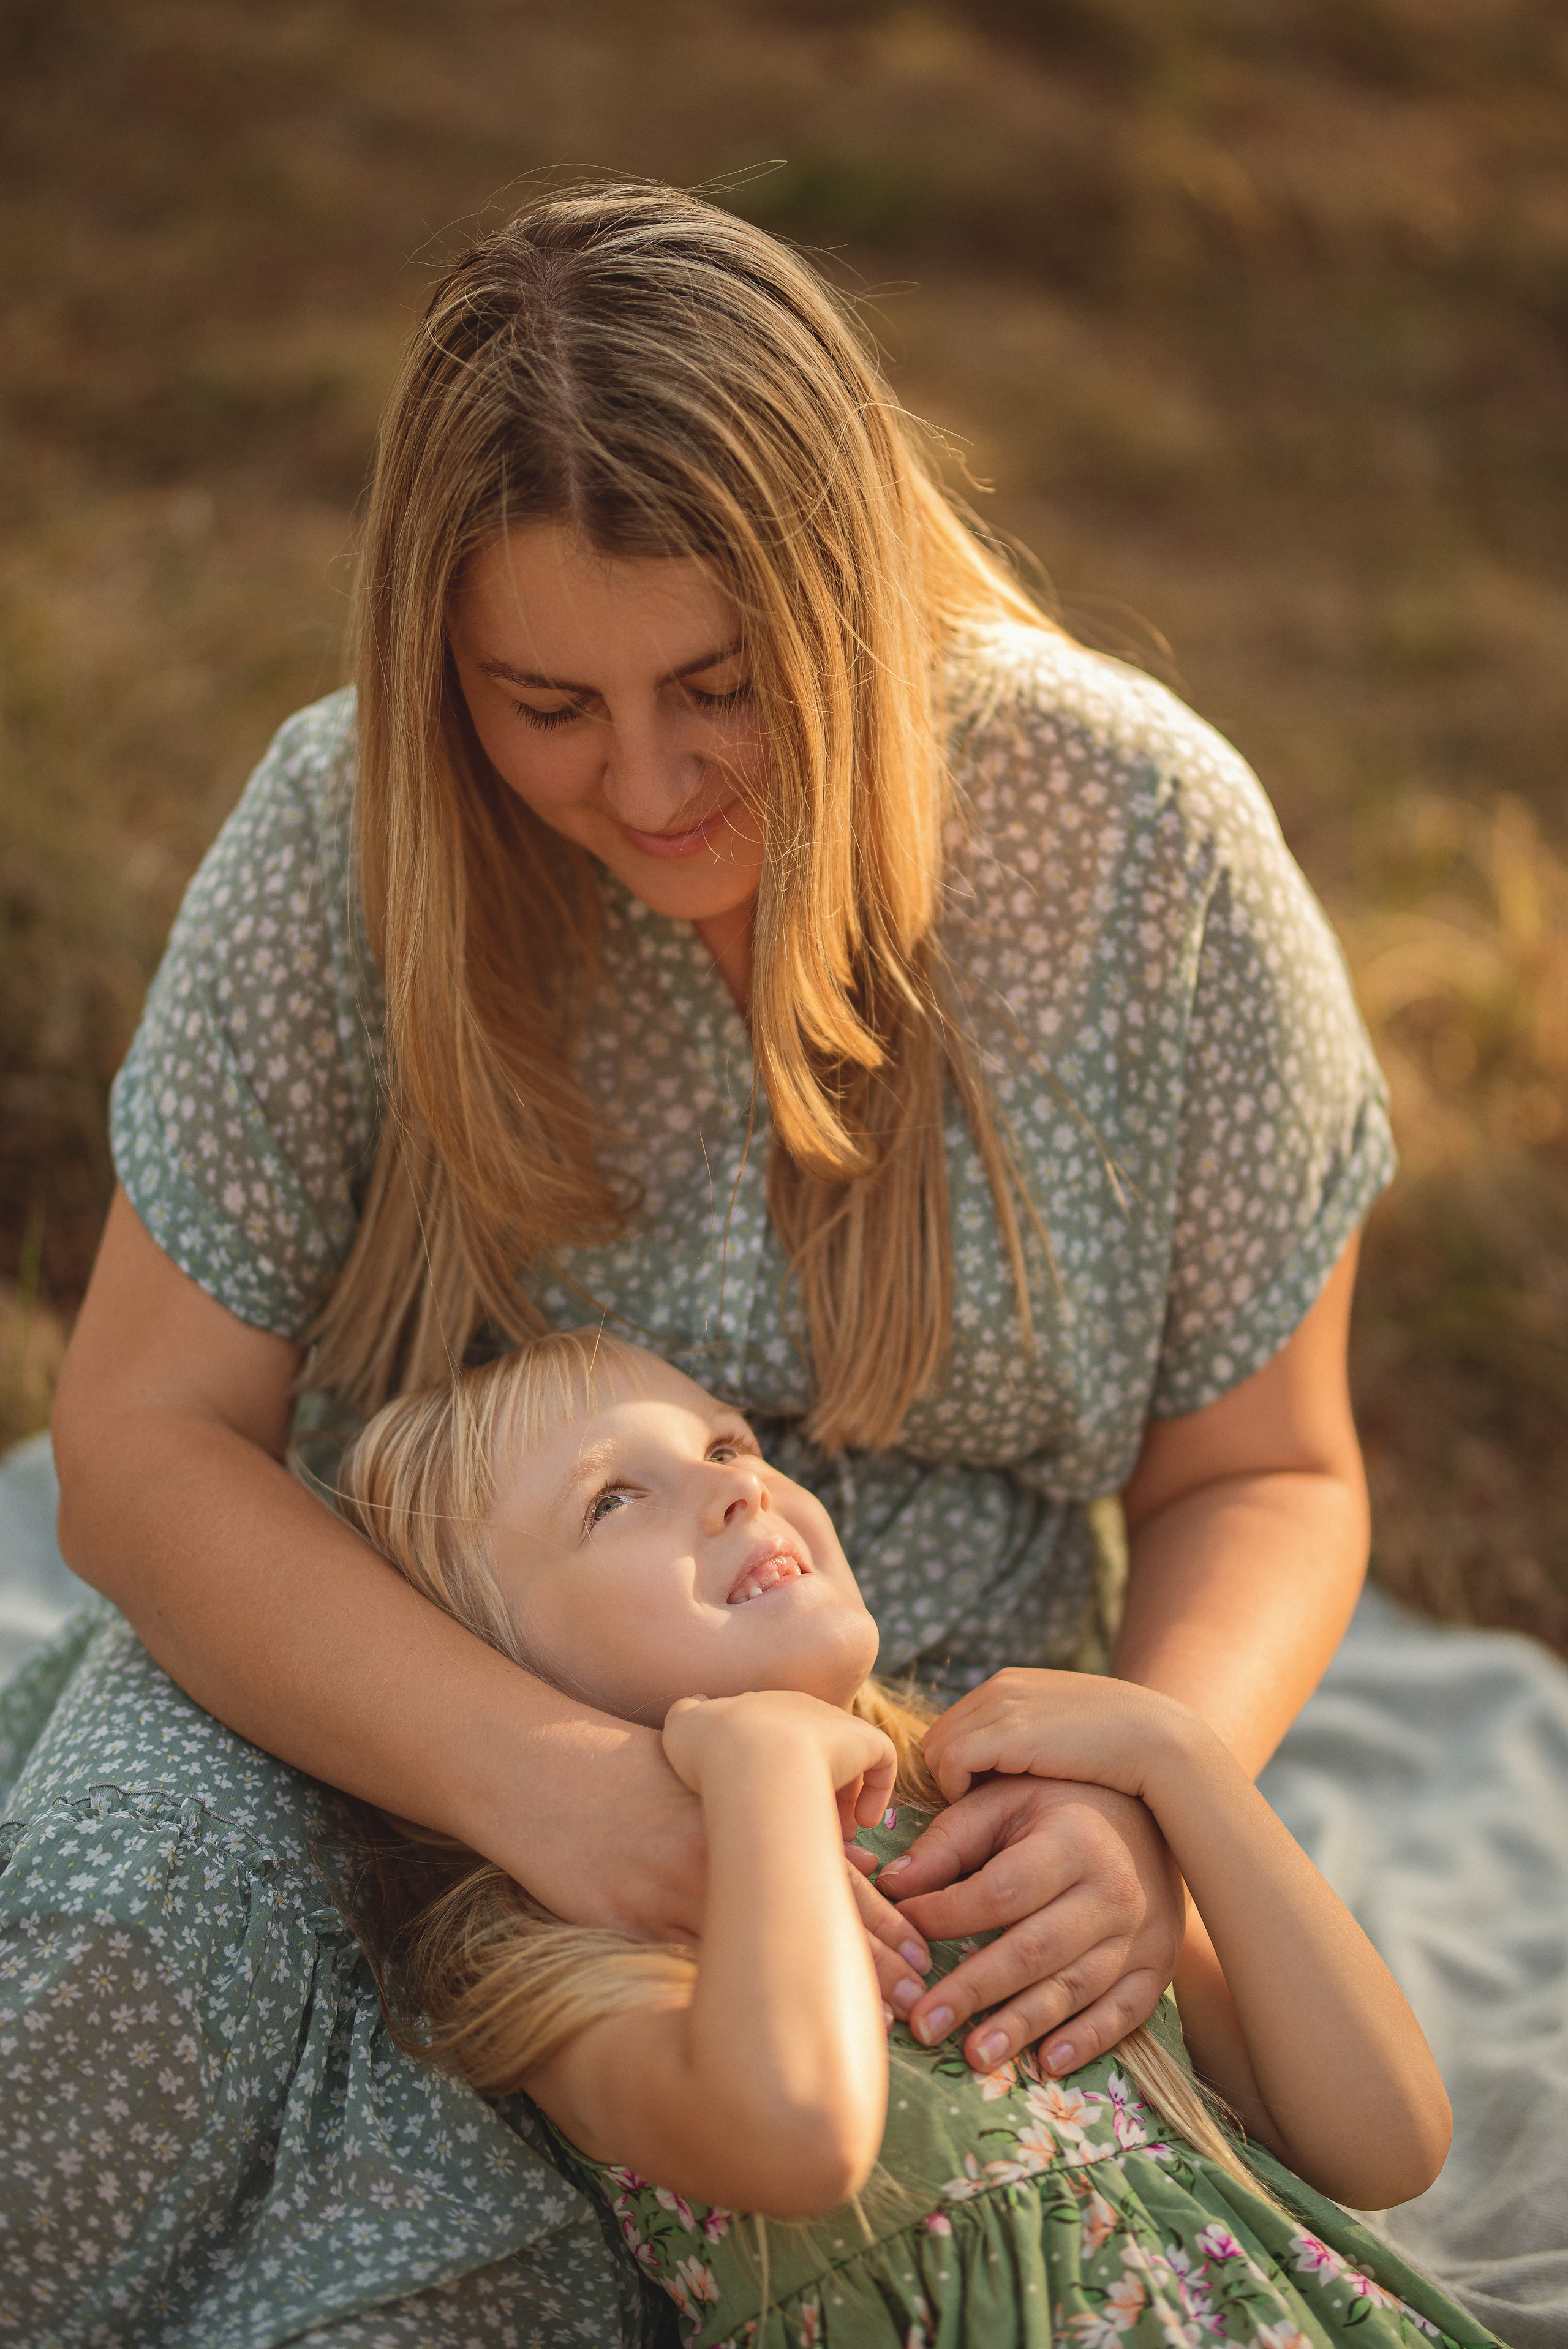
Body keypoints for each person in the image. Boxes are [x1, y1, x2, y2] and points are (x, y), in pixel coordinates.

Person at [12, 183, 1391, 2339]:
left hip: (910, 1744)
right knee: (102, 1963)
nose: (646, 783)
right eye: (544, 703)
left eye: (724, 687)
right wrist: (521, 1771)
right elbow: (140, 1436)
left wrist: (1144, 1797)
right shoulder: (344, 830)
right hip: (385, 1678)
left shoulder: (1143, 848)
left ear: (851, 611)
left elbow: (1270, 1473)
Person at [330, 1326, 1490, 2348]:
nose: (741, 1492)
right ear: (499, 1672)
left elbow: (1386, 2141)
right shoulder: (572, 1953)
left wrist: (1177, 1757)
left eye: (727, 1446)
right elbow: (800, 2137)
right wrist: (769, 1768)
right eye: (612, 1501)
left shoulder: (990, 1824)